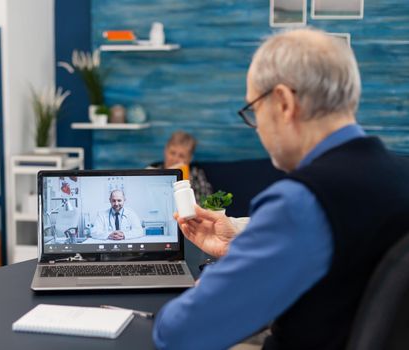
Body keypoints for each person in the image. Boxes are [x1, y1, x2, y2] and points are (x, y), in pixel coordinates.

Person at [152, 28, 409, 350]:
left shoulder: (301, 200)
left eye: (254, 111)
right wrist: (241, 251)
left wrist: (221, 280)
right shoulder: (401, 174)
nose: (257, 127)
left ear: (284, 102)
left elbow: (179, 333)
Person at [149, 131, 213, 203]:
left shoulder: (196, 174)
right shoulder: (152, 170)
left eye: (181, 156)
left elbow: (205, 204)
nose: (175, 159)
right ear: (165, 150)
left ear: (189, 159)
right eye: (172, 153)